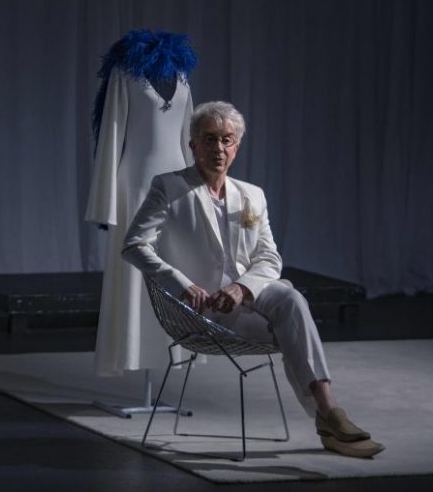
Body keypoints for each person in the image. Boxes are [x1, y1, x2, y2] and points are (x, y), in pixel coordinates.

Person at [121, 100, 384, 458]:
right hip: (202, 310)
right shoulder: (169, 187)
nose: (218, 148)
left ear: (237, 146)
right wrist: (181, 283)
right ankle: (328, 420)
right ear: (193, 145)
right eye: (209, 139)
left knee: (291, 299)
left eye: (226, 140)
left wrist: (241, 288)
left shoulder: (251, 195)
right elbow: (133, 245)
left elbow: (270, 259)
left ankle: (330, 411)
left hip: (249, 297)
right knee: (293, 327)